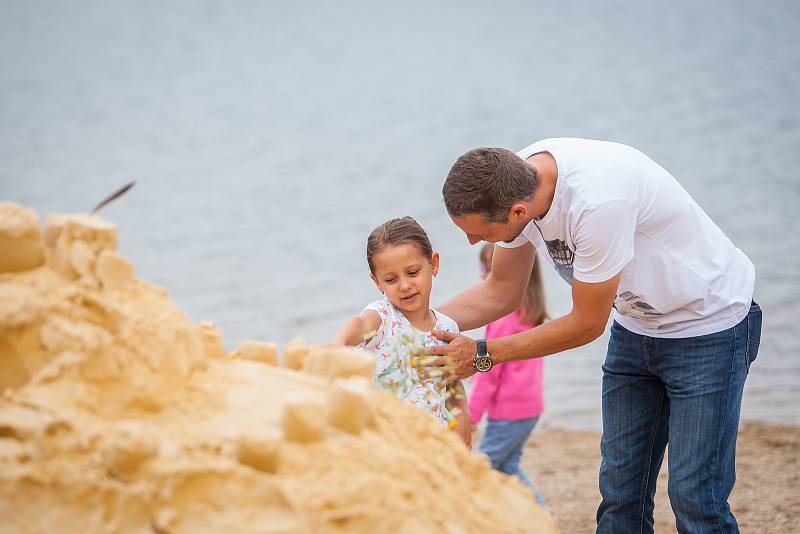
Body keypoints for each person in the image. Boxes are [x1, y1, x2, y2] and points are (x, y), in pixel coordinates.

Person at [427, 138, 761, 533]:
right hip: (636, 328)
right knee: (621, 492)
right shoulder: (513, 183)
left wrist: (483, 353)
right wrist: (410, 323)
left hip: (709, 327)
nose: (471, 242)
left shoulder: (597, 204)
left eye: (479, 234)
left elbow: (587, 323)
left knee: (694, 496)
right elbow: (500, 291)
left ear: (518, 212)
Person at [330, 216, 471, 447]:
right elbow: (358, 325)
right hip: (387, 442)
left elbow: (452, 384)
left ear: (433, 263)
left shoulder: (447, 328)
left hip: (434, 440)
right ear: (377, 282)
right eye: (391, 279)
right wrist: (338, 343)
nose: (404, 285)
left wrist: (462, 418)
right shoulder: (383, 317)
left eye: (413, 272)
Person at [470, 243, 548, 504]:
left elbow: (488, 375)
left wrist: (471, 414)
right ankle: (537, 512)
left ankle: (538, 514)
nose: (482, 275)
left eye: (487, 271)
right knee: (507, 466)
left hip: (509, 412)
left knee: (480, 467)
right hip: (530, 408)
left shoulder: (502, 320)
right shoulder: (530, 315)